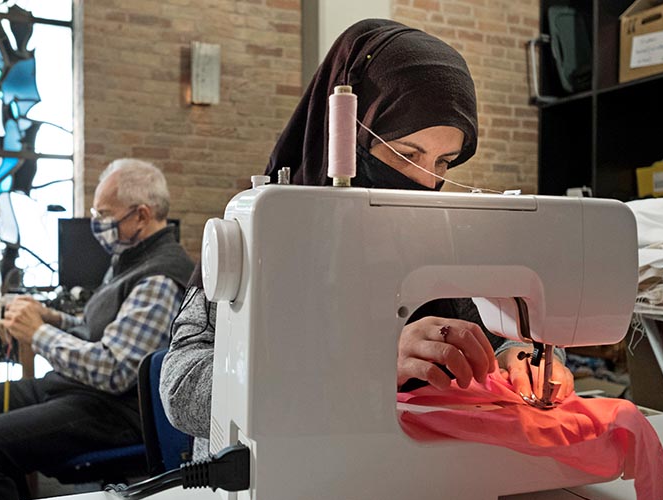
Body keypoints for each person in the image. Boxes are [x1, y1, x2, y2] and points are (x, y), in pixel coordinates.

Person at [160, 19, 573, 459]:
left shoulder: (445, 233)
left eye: (445, 162)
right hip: (285, 477)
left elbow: (511, 327)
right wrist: (364, 366)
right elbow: (182, 387)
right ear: (349, 136)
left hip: (415, 479)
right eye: (407, 155)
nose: (425, 180)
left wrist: (523, 357)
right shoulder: (260, 233)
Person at [0, 158, 194, 500]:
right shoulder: (132, 258)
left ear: (141, 216)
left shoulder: (159, 278)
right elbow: (103, 330)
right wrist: (51, 316)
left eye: (104, 215)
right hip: (80, 390)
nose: (96, 223)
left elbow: (113, 369)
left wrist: (37, 334)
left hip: (112, 411)